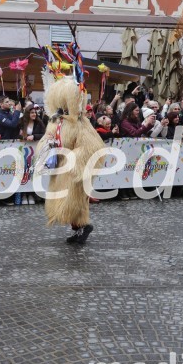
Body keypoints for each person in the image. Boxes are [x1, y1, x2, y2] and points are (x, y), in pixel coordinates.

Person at [38, 65, 104, 244]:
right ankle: (77, 228)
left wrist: (75, 162)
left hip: (72, 169)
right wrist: (47, 149)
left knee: (74, 201)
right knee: (63, 202)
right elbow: (45, 140)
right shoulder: (55, 122)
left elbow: (93, 146)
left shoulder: (80, 123)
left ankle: (83, 225)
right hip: (59, 167)